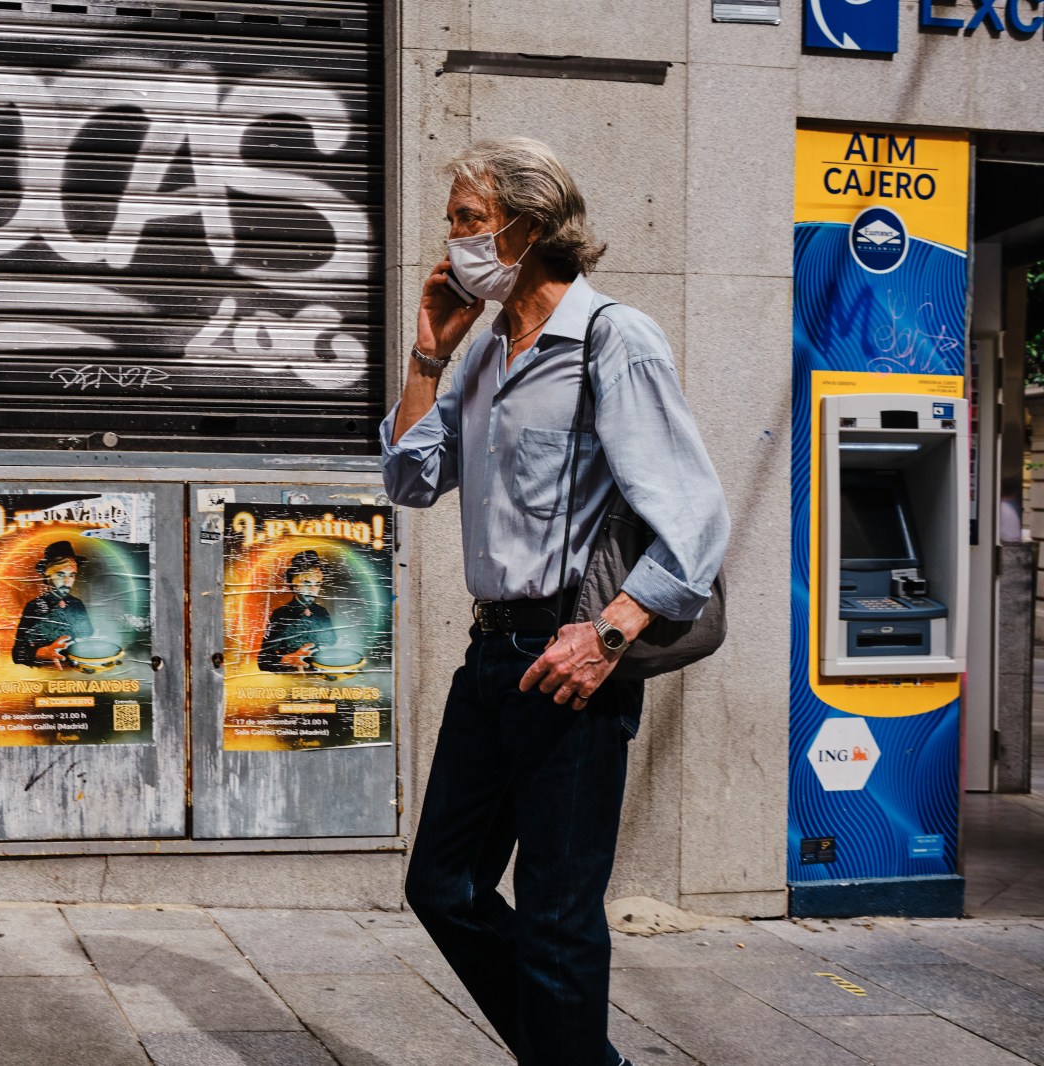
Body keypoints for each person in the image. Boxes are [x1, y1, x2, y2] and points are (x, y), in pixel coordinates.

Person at [381, 138, 728, 1066]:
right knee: (443, 885)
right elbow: (412, 483)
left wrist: (610, 634)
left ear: (526, 228)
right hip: (492, 656)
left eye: (465, 219)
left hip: (576, 660)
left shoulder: (614, 339)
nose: (451, 240)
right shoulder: (489, 353)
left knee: (559, 914)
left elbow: (694, 521)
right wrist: (428, 355)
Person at [11, 539, 94, 666]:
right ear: (47, 574)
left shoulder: (77, 604)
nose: (67, 582)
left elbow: (88, 635)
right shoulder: (33, 607)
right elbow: (17, 654)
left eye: (72, 575)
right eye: (61, 574)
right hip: (46, 675)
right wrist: (43, 652)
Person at [258, 549, 337, 672]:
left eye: (317, 584)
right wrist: (288, 659)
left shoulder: (322, 612)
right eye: (306, 583)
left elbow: (332, 642)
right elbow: (263, 661)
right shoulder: (280, 615)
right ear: (294, 585)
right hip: (290, 682)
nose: (312, 590)